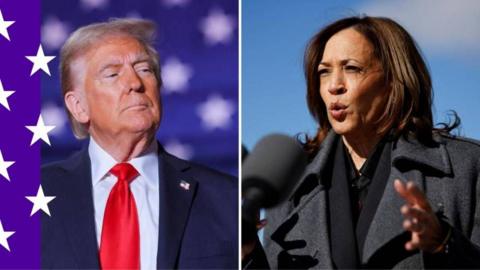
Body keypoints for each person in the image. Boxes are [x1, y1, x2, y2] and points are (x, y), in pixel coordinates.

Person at [243, 16, 480, 269]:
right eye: (324, 72)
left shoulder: (468, 167)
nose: (334, 85)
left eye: (352, 68)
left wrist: (444, 243)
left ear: (394, 80)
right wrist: (248, 254)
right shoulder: (292, 181)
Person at [41, 18, 237, 269]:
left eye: (144, 69)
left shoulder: (226, 197)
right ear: (79, 107)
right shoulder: (26, 195)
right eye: (112, 74)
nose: (135, 83)